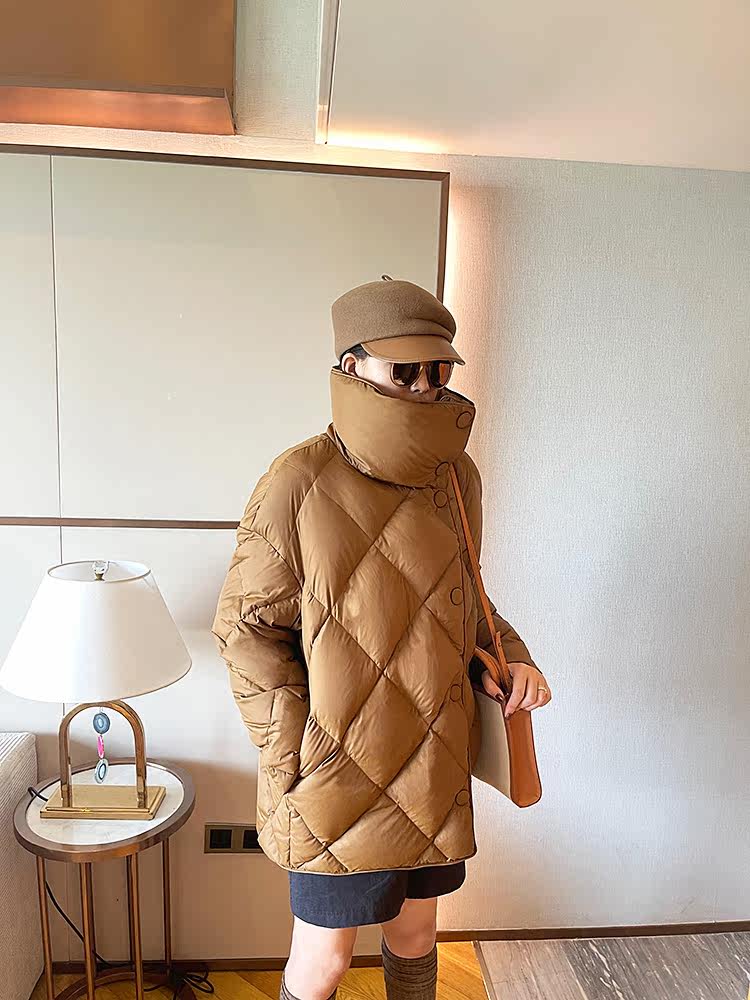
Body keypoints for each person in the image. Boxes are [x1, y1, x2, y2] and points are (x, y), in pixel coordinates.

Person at [211, 276, 552, 1000]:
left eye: (438, 371)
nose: (425, 386)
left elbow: (465, 601)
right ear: (352, 365)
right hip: (335, 777)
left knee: (417, 938)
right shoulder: (297, 480)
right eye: (405, 368)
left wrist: (515, 660)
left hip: (432, 764)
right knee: (323, 963)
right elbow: (245, 629)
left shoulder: (455, 476)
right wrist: (298, 746)